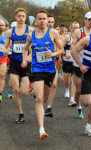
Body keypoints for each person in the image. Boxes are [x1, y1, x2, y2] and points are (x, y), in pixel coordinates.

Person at [21, 10, 64, 140]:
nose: (42, 21)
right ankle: (41, 129)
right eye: (39, 19)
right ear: (35, 21)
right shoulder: (31, 35)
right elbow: (24, 48)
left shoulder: (53, 33)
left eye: (44, 19)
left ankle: (40, 97)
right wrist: (24, 59)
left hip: (50, 70)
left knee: (44, 98)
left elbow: (62, 49)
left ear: (47, 20)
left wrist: (53, 54)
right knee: (39, 99)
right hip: (37, 69)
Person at [3, 8, 33, 124]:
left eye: (23, 16)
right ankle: (21, 113)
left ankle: (29, 86)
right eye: (19, 16)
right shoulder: (10, 32)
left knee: (24, 92)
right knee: (15, 89)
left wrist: (28, 58)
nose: (21, 18)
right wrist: (5, 50)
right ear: (15, 17)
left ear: (25, 17)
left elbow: (34, 48)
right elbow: (5, 46)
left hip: (25, 63)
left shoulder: (30, 30)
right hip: (15, 63)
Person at [71, 11, 91, 119]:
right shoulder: (78, 32)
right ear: (85, 20)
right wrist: (75, 49)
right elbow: (73, 45)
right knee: (79, 89)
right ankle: (78, 107)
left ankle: (89, 104)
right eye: (89, 19)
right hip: (78, 64)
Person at [63, 21, 79, 106]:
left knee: (74, 79)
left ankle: (72, 98)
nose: (76, 29)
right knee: (66, 79)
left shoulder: (80, 36)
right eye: (74, 27)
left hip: (75, 61)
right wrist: (65, 54)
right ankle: (66, 89)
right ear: (71, 28)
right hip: (67, 60)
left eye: (77, 27)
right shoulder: (67, 37)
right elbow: (61, 47)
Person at [0, 20, 7, 102]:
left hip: (3, 58)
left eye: (2, 25)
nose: (1, 27)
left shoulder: (6, 35)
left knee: (2, 75)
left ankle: (0, 94)